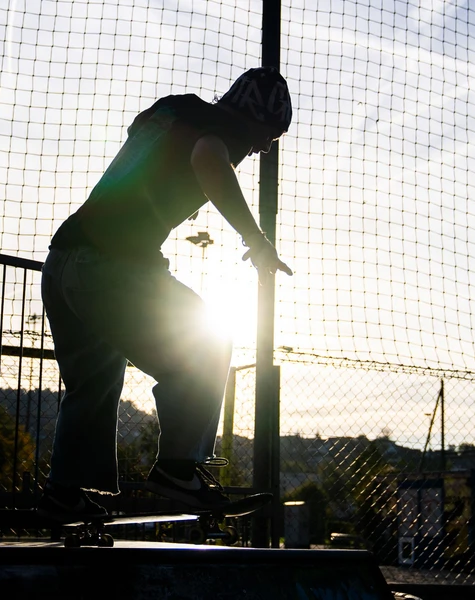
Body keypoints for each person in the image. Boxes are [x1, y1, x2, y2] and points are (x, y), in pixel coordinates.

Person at [37, 67, 294, 522]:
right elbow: (209, 158)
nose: (264, 148)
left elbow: (144, 135)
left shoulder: (176, 107)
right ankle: (178, 468)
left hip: (62, 265)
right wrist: (256, 240)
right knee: (209, 342)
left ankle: (64, 493)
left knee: (92, 383)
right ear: (256, 119)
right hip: (111, 266)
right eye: (270, 136)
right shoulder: (227, 131)